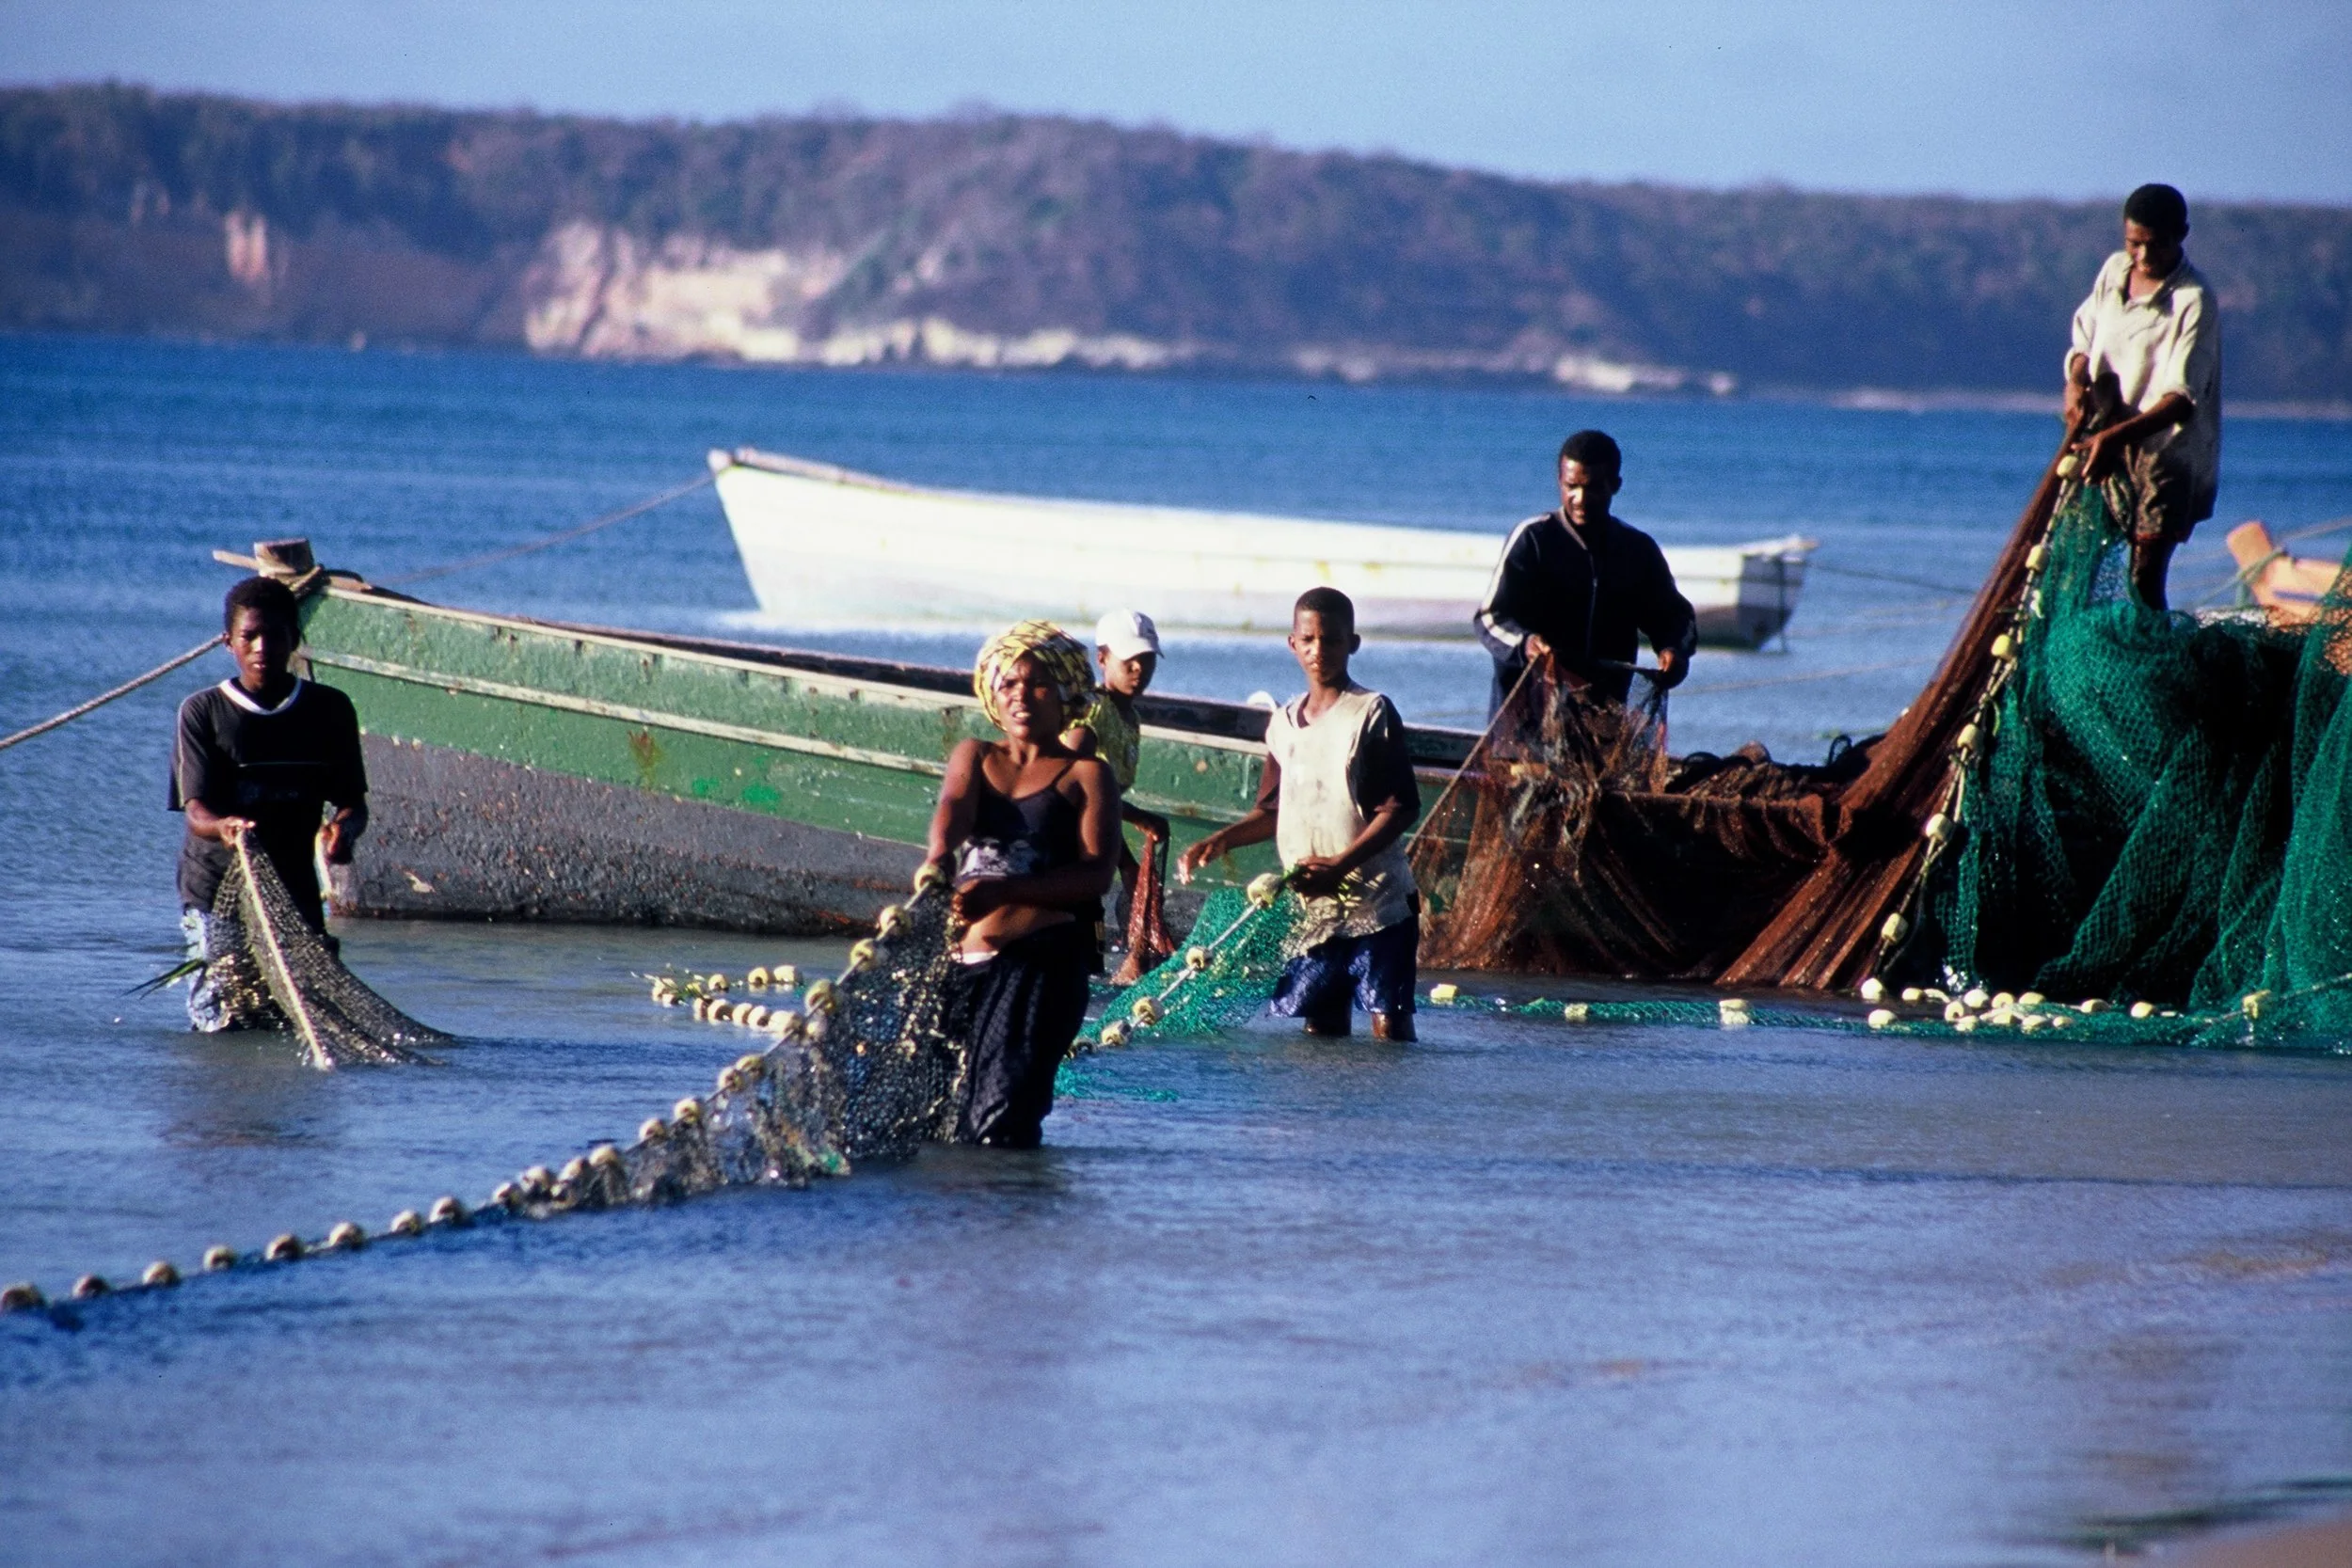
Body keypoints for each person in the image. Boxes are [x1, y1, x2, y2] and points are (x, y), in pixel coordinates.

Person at [1175, 588, 1422, 1041]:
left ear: (1353, 643)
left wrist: (1341, 865)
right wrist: (1223, 838)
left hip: (1380, 905)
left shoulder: (1369, 713)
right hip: (1313, 909)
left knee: (1389, 1029)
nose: (1318, 651)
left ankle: (1387, 1114)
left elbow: (1400, 808)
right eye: (1308, 639)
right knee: (1320, 1033)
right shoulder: (1284, 724)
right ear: (1293, 643)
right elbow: (1272, 811)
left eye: (1331, 640)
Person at [924, 621, 1121, 1147]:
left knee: (1001, 1122)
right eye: (1007, 684)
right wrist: (939, 859)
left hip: (1039, 971)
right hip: (962, 967)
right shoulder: (976, 756)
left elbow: (1095, 874)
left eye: (1036, 684)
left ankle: (1021, 1219)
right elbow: (953, 812)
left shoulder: (1087, 775)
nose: (1020, 696)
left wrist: (1003, 893)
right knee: (937, 1118)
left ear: (1064, 694)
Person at [170, 577, 368, 1030]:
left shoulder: (330, 709)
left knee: (295, 1016)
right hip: (216, 887)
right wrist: (224, 828)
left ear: (294, 641)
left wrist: (343, 834)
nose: (262, 646)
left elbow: (352, 804)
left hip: (292, 890)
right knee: (221, 1017)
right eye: (249, 636)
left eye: (275, 635)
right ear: (228, 643)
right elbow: (196, 811)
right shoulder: (203, 713)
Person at [2064, 182, 2222, 610]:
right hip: (2104, 435)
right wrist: (2076, 384)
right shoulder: (2114, 272)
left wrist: (2116, 438)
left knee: (2143, 577)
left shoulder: (2194, 299)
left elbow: (2181, 398)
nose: (2144, 257)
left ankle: (2148, 658)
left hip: (2165, 453)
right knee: (2076, 566)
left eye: (2157, 245)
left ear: (2181, 235)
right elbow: (2084, 342)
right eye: (2134, 244)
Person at [1474, 429, 1697, 717]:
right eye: (1571, 487)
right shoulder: (1532, 540)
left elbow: (1675, 618)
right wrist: (1526, 644)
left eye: (1593, 488)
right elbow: (1490, 618)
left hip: (1603, 723)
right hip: (1524, 729)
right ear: (1559, 482)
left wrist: (1674, 652)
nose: (1580, 498)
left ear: (1614, 485)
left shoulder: (1636, 550)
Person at [1062, 608, 1175, 982]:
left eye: (1146, 660)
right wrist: (1139, 818)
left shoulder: (1129, 717)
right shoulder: (1094, 713)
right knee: (1075, 953)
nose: (1139, 670)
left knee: (1089, 956)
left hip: (1092, 851)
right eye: (1129, 660)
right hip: (1066, 854)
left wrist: (1125, 862)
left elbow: (1104, 802)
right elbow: (1072, 778)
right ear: (1102, 658)